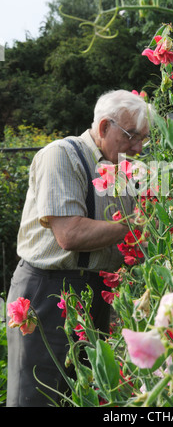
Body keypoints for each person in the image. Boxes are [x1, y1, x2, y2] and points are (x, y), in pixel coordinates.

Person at [6, 89, 154, 407]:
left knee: (85, 393)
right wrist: (140, 228)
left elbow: (134, 224)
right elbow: (69, 234)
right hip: (48, 289)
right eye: (132, 136)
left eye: (144, 139)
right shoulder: (62, 155)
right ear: (103, 127)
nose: (138, 147)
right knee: (39, 393)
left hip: (95, 287)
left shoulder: (123, 168)